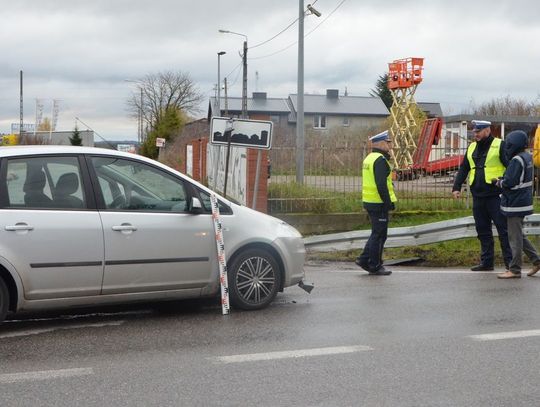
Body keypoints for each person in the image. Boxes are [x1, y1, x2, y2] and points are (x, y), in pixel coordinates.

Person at [452, 120, 512, 271]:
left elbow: (510, 167)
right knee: (482, 230)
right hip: (478, 196)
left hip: (495, 195)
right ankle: (486, 262)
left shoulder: (499, 144)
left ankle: (510, 264)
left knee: (503, 230)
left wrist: (505, 182)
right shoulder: (472, 146)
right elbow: (464, 167)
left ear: (487, 130)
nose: (475, 134)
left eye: (478, 131)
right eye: (474, 131)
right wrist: (456, 187)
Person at [494, 130, 540, 279]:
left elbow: (510, 182)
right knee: (518, 235)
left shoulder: (516, 160)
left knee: (514, 238)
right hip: (523, 202)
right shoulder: (527, 157)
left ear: (513, 145)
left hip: (515, 204)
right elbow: (518, 178)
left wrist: (498, 182)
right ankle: (537, 261)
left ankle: (514, 269)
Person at [355, 130, 396, 276]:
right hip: (378, 203)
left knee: (377, 233)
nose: (390, 145)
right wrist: (387, 202)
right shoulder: (379, 160)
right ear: (380, 143)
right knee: (379, 235)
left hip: (370, 201)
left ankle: (364, 259)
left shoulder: (369, 158)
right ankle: (375, 265)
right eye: (388, 142)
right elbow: (381, 184)